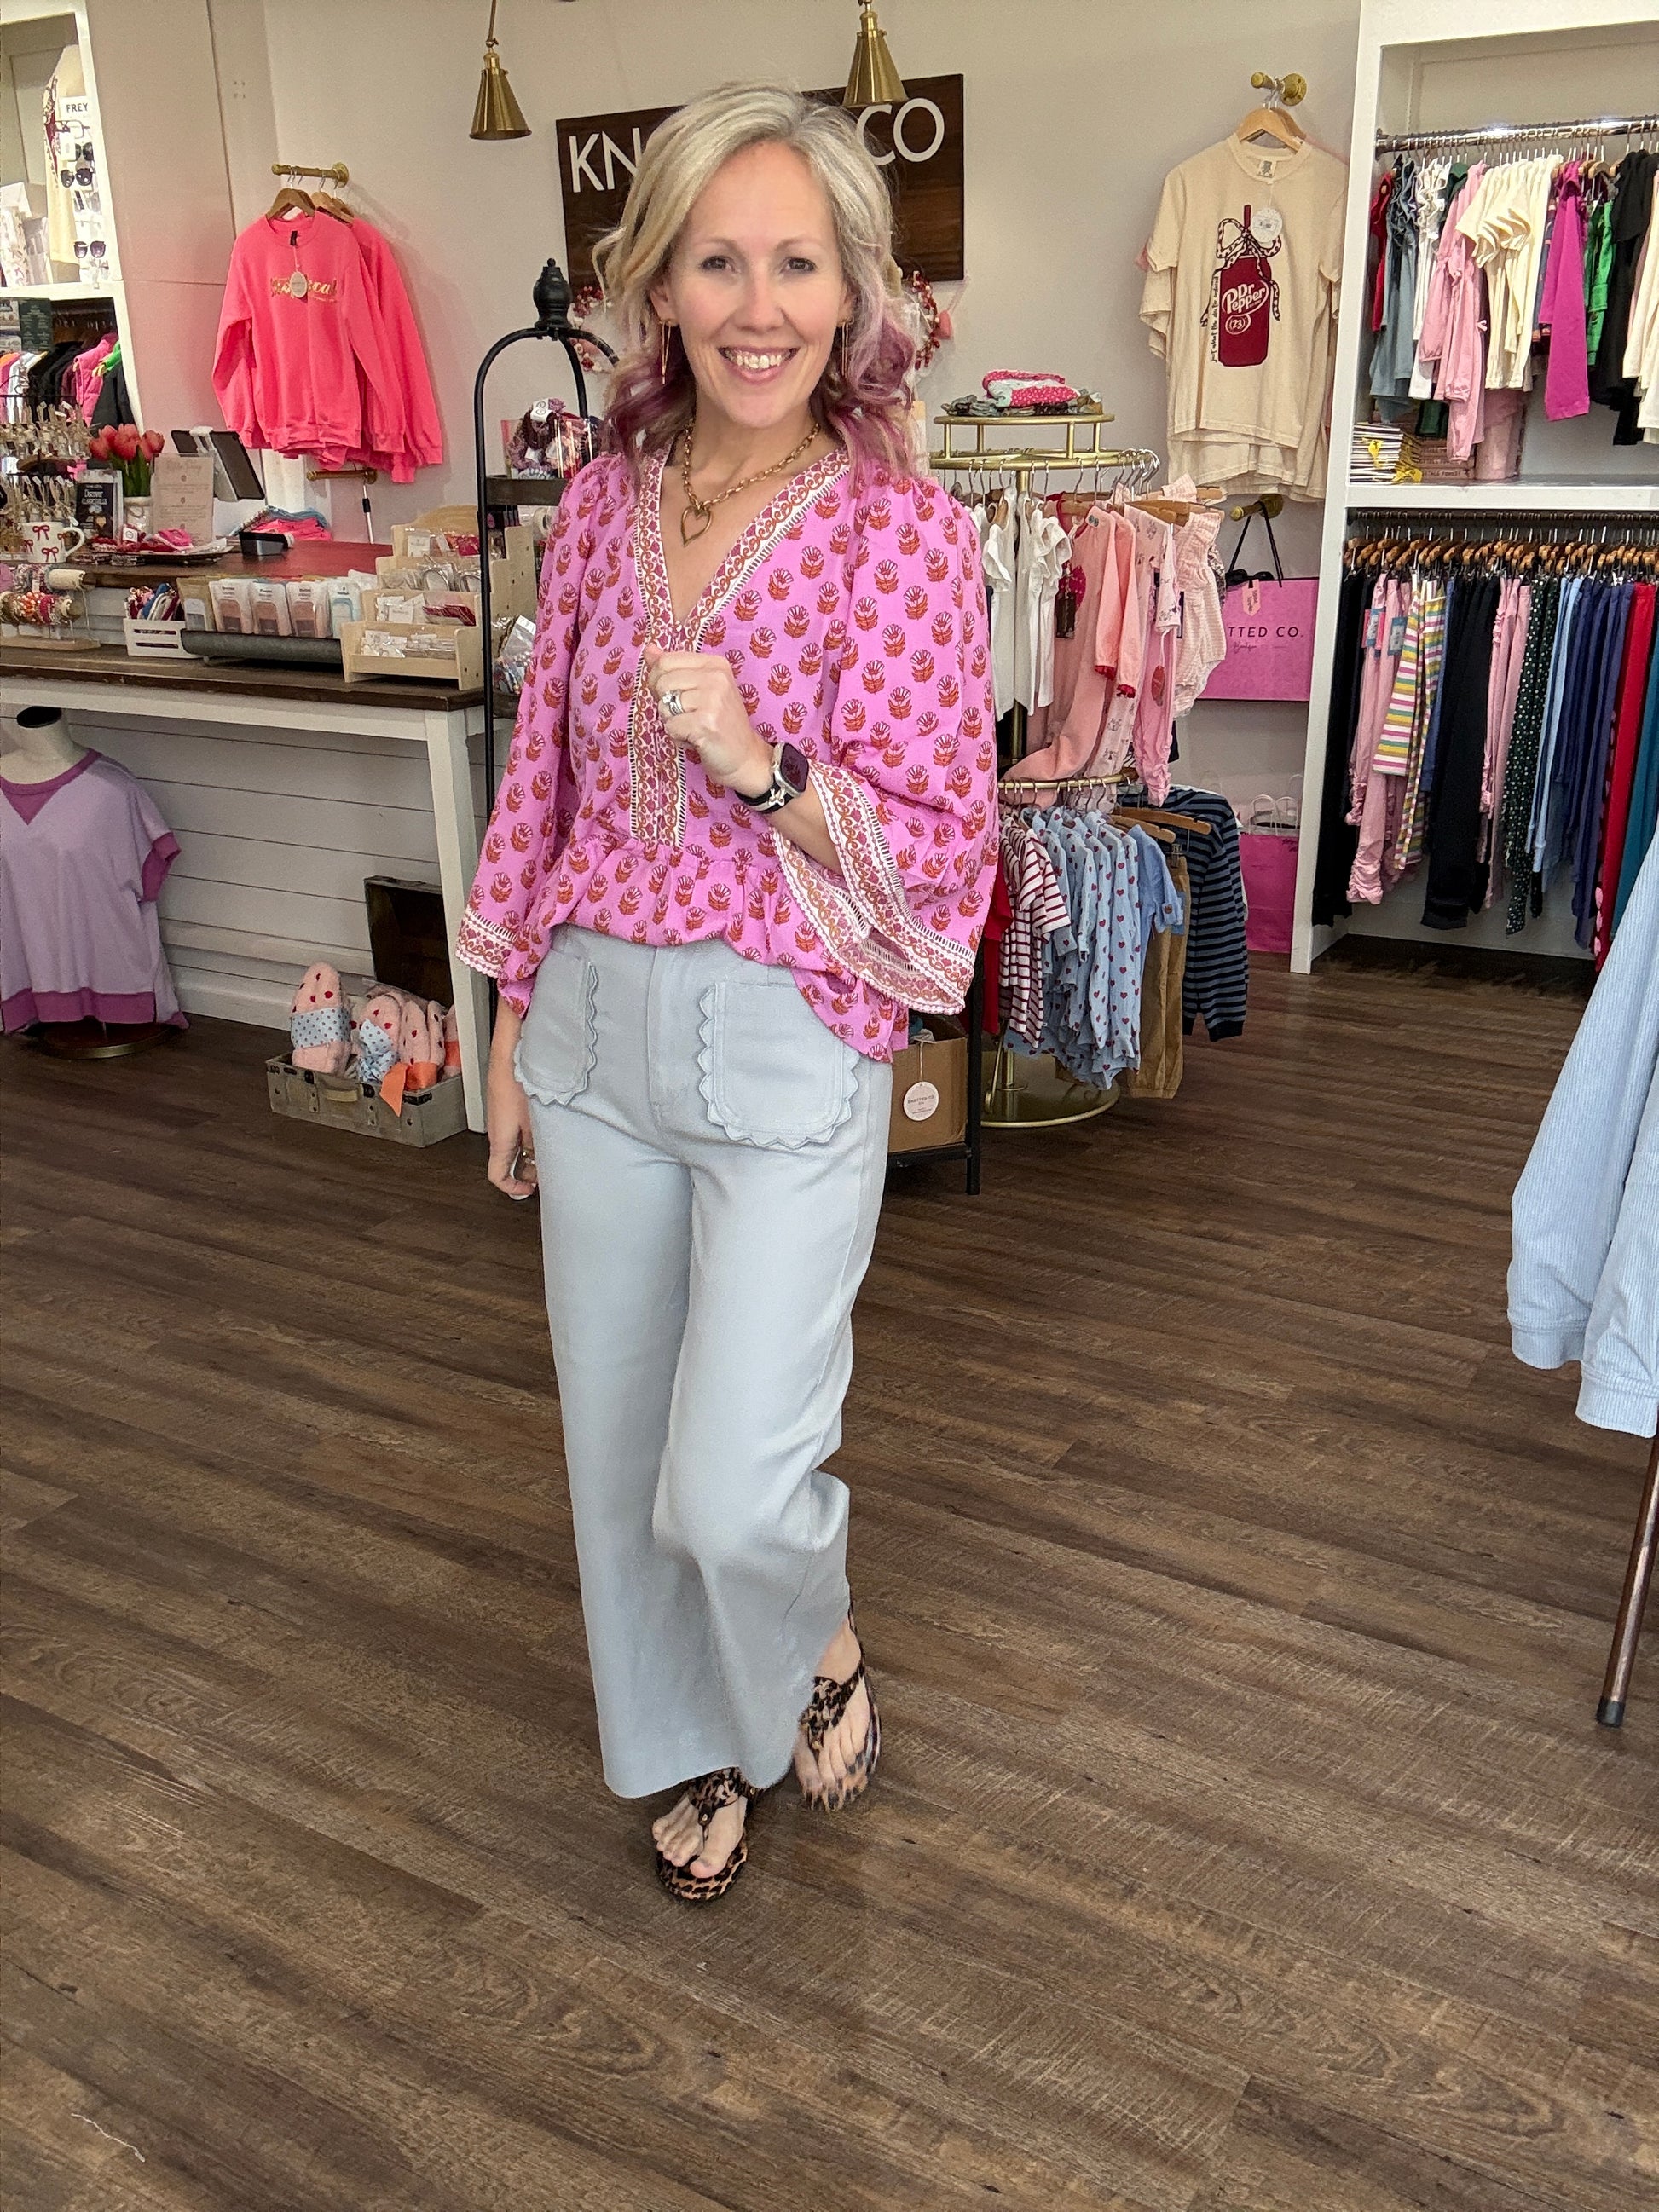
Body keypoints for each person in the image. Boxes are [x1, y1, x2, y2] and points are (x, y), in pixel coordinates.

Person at [456, 82, 997, 1903]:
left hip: (785, 1050)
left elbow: (946, 849)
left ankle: (809, 1625)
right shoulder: (596, 504)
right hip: (591, 1036)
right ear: (659, 286)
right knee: (619, 1460)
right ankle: (689, 1739)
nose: (758, 307)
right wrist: (511, 1028)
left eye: (798, 264)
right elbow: (541, 787)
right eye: (717, 262)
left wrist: (766, 769)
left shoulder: (900, 532)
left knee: (733, 1487)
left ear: (853, 293)